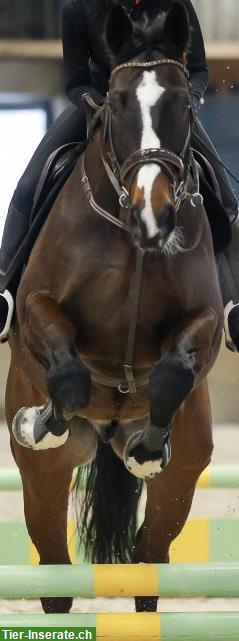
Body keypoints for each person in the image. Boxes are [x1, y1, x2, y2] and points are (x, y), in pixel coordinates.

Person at [1, 0, 239, 351]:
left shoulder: (174, 4)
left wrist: (186, 98)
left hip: (163, 105)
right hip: (105, 104)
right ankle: (5, 288)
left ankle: (233, 301)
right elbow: (76, 80)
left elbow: (199, 69)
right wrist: (105, 107)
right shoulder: (79, 8)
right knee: (28, 183)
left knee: (224, 192)